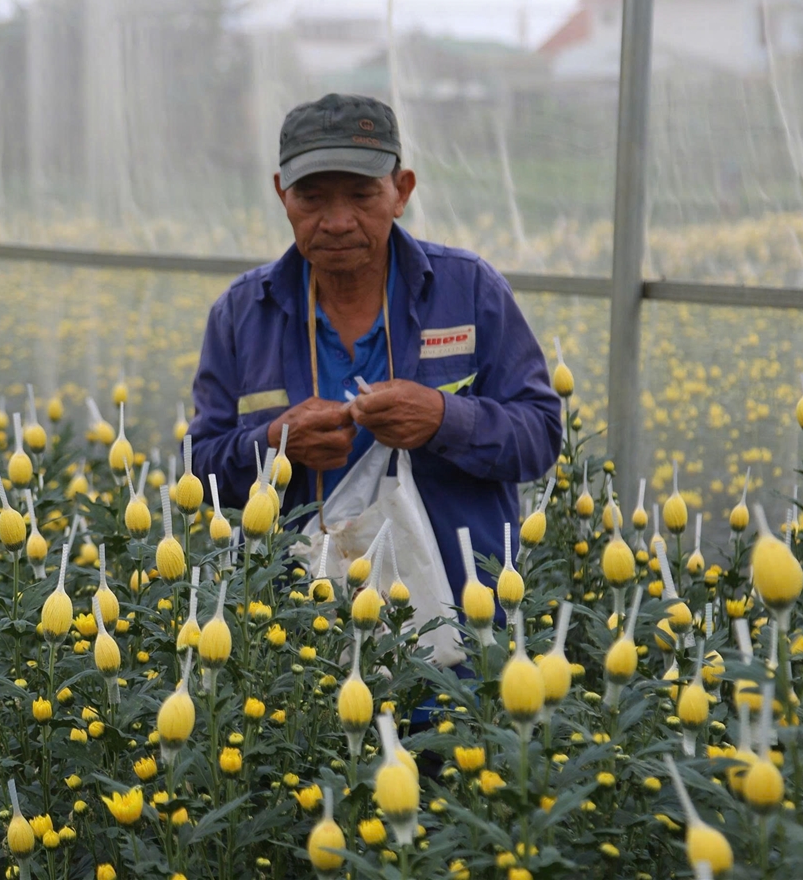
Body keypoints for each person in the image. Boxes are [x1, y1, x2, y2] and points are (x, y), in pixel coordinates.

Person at [188, 93, 561, 615]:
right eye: (312, 198)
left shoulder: (469, 290)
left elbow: (541, 435)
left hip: (454, 624)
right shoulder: (242, 314)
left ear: (400, 191)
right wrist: (274, 446)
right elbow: (199, 470)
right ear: (282, 194)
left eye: (362, 196)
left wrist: (443, 419)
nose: (337, 221)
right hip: (289, 634)